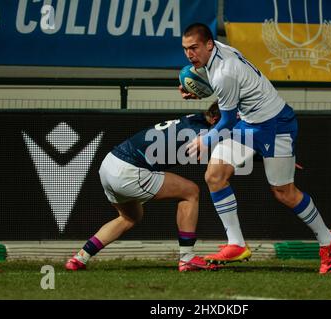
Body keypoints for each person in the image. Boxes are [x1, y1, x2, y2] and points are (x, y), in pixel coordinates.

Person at [180, 23, 331, 274]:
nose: (190, 55)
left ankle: (328, 240)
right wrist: (199, 88)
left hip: (276, 125)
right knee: (214, 176)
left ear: (209, 44)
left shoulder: (224, 72)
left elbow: (225, 120)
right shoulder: (217, 55)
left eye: (194, 48)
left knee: (284, 192)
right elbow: (229, 94)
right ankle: (236, 244)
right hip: (249, 123)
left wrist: (205, 140)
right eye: (185, 49)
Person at [65, 102, 221, 272]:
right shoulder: (202, 133)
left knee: (129, 217)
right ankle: (187, 258)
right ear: (214, 119)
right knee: (190, 192)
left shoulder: (194, 118)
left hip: (110, 163)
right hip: (129, 170)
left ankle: (80, 258)